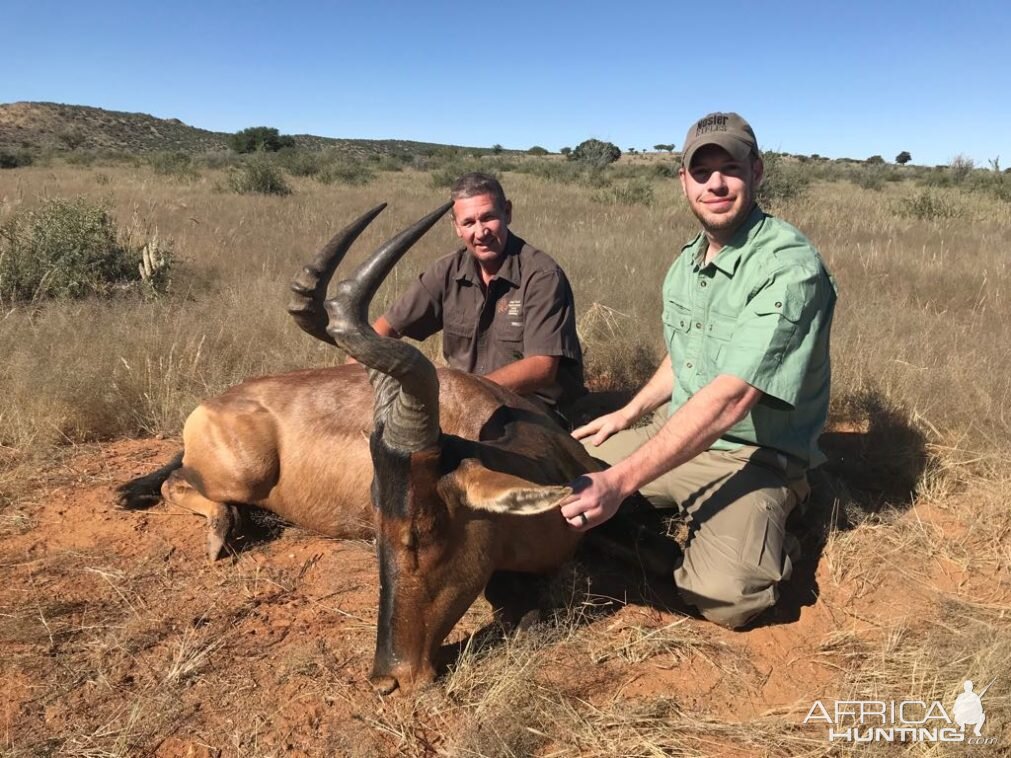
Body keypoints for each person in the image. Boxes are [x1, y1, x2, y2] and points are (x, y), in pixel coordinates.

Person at [561, 112, 838, 629]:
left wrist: (620, 483)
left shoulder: (789, 267)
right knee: (557, 476)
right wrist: (627, 414)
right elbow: (685, 354)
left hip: (755, 455)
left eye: (728, 168)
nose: (715, 183)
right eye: (700, 170)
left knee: (728, 598)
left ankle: (786, 516)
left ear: (756, 172)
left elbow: (733, 396)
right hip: (682, 432)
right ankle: (653, 524)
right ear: (683, 181)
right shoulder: (688, 262)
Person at [370, 172, 585, 422]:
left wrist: (460, 395)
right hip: (463, 408)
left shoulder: (542, 275)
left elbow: (541, 368)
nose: (481, 232)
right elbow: (381, 331)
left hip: (533, 408)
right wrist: (359, 380)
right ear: (457, 227)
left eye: (488, 217)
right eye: (469, 222)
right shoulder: (446, 272)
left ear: (507, 212)